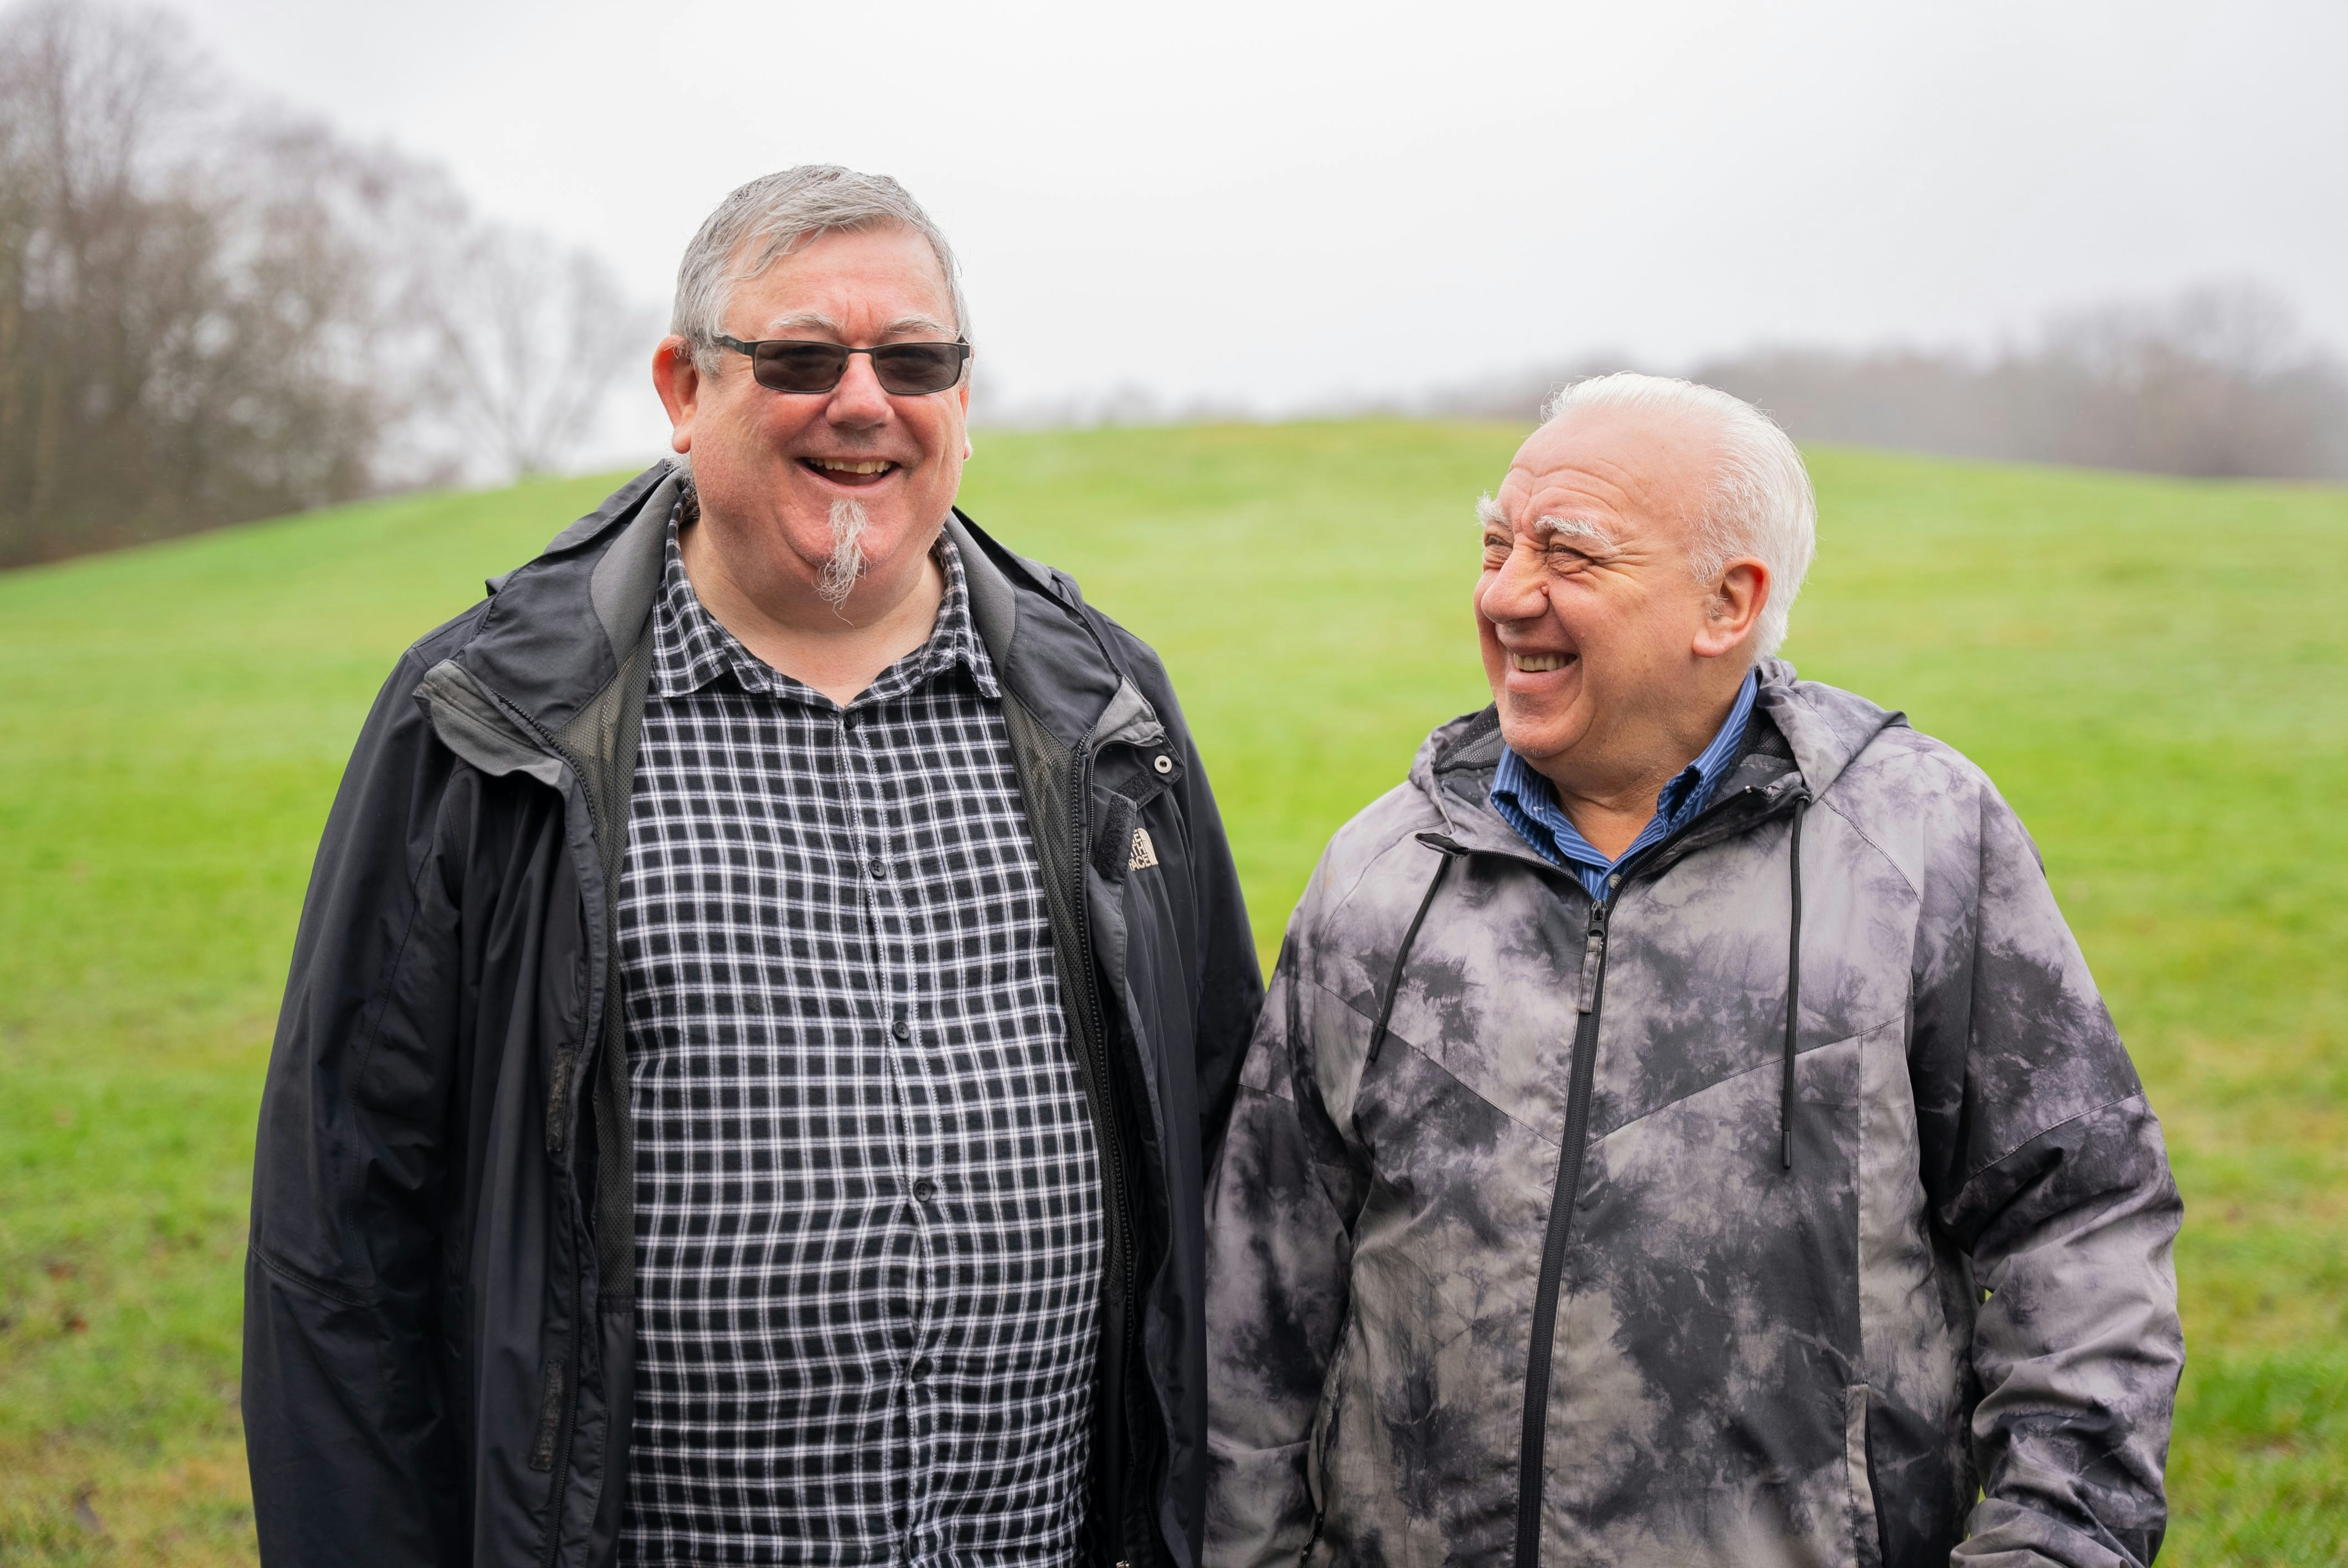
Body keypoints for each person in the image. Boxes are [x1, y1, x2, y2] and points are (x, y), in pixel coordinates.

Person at [244, 165, 1261, 1568]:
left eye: (915, 360)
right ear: (681, 387)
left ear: (961, 399)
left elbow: (1217, 1153)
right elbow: (340, 1243)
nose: (864, 402)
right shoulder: (483, 724)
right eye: (798, 358)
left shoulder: (1107, 715)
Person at [1204, 374, 2182, 1567]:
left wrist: (2050, 1544)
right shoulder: (1379, 874)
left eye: (1567, 553)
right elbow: (1259, 1290)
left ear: (1726, 602)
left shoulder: (1918, 843)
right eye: (1497, 542)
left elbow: (2078, 1218)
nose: (1507, 592)